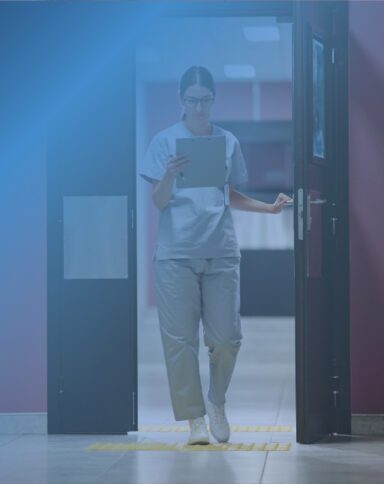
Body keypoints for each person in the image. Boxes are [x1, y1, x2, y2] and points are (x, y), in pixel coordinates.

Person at [139, 65, 291, 445]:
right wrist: (171, 176)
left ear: (213, 100)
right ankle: (194, 420)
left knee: (226, 339)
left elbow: (228, 195)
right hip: (176, 256)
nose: (200, 108)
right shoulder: (163, 142)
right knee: (180, 342)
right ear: (181, 101)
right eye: (192, 101)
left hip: (221, 251)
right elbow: (158, 202)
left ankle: (216, 401)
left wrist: (268, 209)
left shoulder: (228, 141)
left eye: (206, 100)